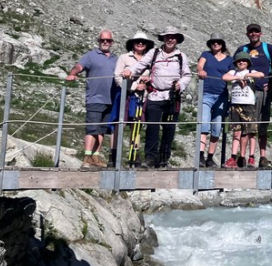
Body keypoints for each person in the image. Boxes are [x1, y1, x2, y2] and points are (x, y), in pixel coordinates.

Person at [124, 27, 191, 168]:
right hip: (155, 95)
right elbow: (141, 65)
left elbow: (187, 75)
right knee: (152, 127)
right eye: (168, 37)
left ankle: (163, 159)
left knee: (169, 129)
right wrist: (130, 71)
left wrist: (181, 84)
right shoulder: (154, 53)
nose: (170, 39)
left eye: (173, 37)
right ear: (164, 39)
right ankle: (150, 158)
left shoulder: (181, 56)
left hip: (173, 96)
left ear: (177, 40)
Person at [66, 29, 118, 169]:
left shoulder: (115, 59)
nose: (105, 42)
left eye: (108, 40)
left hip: (111, 100)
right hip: (95, 98)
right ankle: (87, 157)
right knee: (92, 128)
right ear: (99, 41)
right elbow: (79, 66)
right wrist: (73, 73)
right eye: (102, 40)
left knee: (102, 130)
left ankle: (95, 156)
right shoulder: (91, 55)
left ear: (112, 42)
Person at [235, 23, 272, 169]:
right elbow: (232, 66)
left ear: (261, 33)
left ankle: (262, 156)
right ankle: (244, 157)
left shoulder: (268, 48)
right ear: (247, 34)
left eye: (256, 32)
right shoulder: (242, 49)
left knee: (262, 125)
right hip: (245, 93)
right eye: (251, 32)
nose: (253, 34)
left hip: (262, 91)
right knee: (245, 126)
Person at [113, 31, 154, 167]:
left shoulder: (150, 61)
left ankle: (134, 153)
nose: (140, 44)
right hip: (127, 95)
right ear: (133, 43)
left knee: (137, 125)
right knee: (121, 124)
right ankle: (114, 154)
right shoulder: (124, 58)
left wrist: (148, 80)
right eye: (138, 41)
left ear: (147, 45)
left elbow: (154, 76)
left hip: (142, 98)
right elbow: (117, 76)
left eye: (143, 42)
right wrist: (134, 86)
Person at [222, 52, 264, 168]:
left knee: (251, 132)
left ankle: (251, 157)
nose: (241, 62)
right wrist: (238, 77)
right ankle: (233, 157)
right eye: (239, 61)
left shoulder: (251, 72)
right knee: (236, 132)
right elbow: (224, 77)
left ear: (248, 63)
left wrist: (247, 77)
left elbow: (261, 74)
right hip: (235, 105)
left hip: (248, 105)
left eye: (244, 61)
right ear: (235, 63)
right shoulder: (233, 72)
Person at [197, 33, 233, 167]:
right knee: (204, 124)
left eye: (218, 42)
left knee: (217, 127)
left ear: (222, 44)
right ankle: (200, 155)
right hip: (206, 93)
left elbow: (232, 73)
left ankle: (210, 157)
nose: (215, 44)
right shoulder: (206, 55)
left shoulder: (229, 60)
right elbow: (200, 65)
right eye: (213, 42)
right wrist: (201, 71)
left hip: (221, 95)